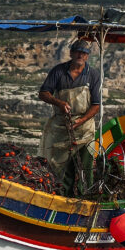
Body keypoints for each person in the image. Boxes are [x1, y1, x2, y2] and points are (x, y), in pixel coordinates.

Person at [38, 39, 101, 174]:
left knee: (85, 166)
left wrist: (81, 121)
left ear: (87, 56)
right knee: (57, 166)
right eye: (78, 52)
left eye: (84, 53)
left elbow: (96, 106)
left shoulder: (93, 75)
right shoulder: (58, 71)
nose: (80, 55)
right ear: (71, 53)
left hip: (85, 128)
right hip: (62, 125)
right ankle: (59, 192)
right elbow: (43, 93)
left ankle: (83, 194)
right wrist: (58, 103)